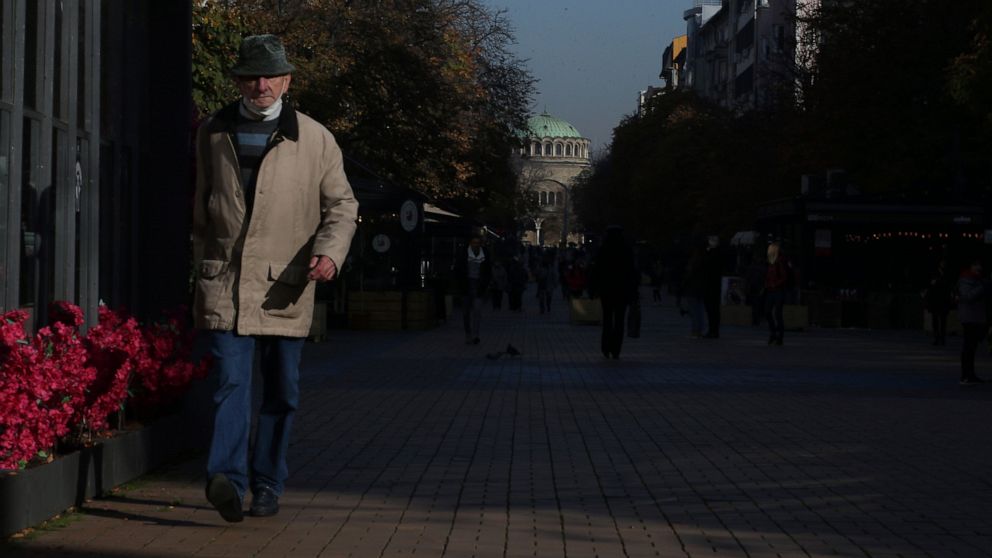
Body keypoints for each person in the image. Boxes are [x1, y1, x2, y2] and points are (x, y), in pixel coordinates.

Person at [193, 35, 358, 522]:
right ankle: (226, 479)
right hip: (224, 284)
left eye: (270, 76)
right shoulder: (212, 131)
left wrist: (329, 254)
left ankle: (267, 481)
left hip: (285, 285)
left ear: (286, 80)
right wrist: (202, 261)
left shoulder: (316, 138)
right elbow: (203, 206)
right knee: (230, 383)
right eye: (251, 76)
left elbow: (343, 206)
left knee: (281, 392)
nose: (260, 85)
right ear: (239, 81)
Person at [592, 226, 638, 359]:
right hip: (622, 290)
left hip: (607, 290)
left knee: (607, 319)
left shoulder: (604, 250)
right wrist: (633, 291)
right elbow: (632, 272)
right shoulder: (626, 250)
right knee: (619, 320)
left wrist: (594, 288)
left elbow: (597, 270)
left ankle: (606, 347)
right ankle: (616, 349)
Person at [454, 235, 492, 344]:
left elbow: (487, 271)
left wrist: (485, 284)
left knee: (477, 312)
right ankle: (468, 333)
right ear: (470, 244)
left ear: (480, 244)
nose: (476, 245)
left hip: (478, 287)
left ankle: (475, 335)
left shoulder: (485, 255)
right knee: (466, 312)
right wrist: (459, 285)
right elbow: (458, 270)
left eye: (477, 243)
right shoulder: (464, 255)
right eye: (473, 243)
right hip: (466, 286)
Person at [956, 258, 987, 385]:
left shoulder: (975, 279)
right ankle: (966, 375)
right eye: (976, 265)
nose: (978, 268)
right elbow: (967, 296)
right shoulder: (967, 280)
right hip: (969, 317)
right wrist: (981, 287)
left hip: (974, 317)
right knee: (969, 347)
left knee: (971, 347)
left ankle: (970, 374)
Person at [764, 242, 790, 346]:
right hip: (772, 290)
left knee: (777, 313)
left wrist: (774, 284)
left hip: (778, 290)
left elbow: (784, 277)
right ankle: (775, 333)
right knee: (769, 312)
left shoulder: (779, 262)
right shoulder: (771, 262)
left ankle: (778, 335)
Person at [923, 259, 952, 345]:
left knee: (942, 320)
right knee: (935, 319)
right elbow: (930, 284)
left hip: (943, 298)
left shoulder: (946, 273)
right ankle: (937, 337)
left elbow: (947, 285)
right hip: (936, 299)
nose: (943, 264)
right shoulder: (935, 273)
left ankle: (941, 338)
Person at [680, 247, 707, 338]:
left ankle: (695, 330)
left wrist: (683, 285)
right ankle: (699, 330)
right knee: (699, 310)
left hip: (692, 289)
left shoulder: (693, 264)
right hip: (701, 289)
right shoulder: (703, 263)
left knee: (694, 311)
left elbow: (688, 276)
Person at [702, 235, 722, 338]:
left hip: (711, 285)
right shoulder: (717, 253)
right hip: (714, 285)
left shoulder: (712, 254)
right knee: (713, 309)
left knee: (711, 309)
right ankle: (714, 330)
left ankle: (713, 330)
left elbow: (707, 266)